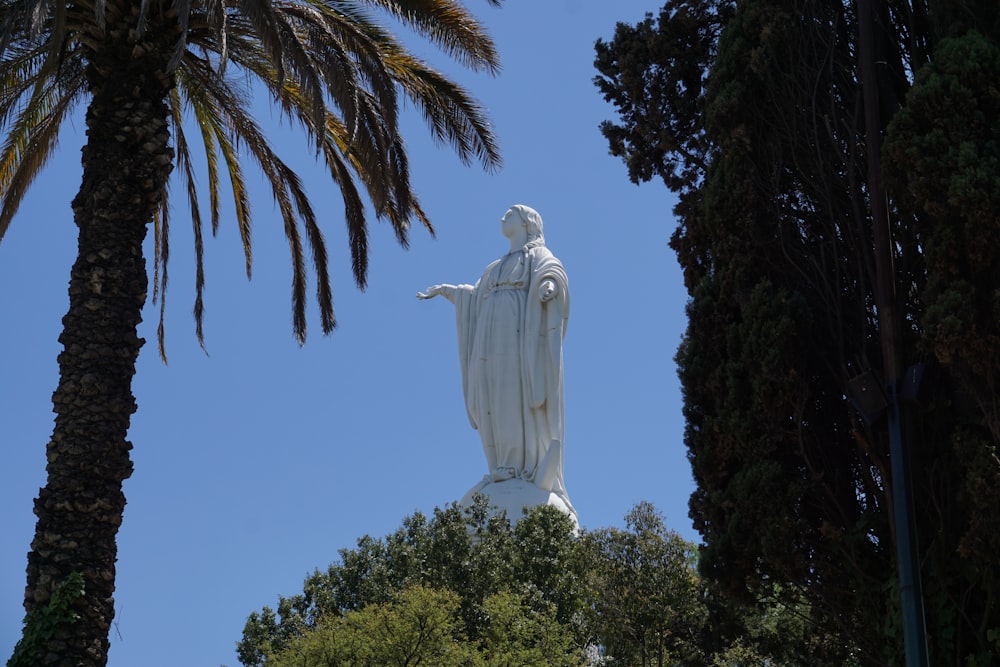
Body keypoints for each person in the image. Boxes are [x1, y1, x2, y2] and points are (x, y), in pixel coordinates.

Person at [418, 205, 570, 503]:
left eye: (510, 214)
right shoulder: (494, 267)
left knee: (517, 392)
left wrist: (549, 285)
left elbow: (553, 272)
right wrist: (450, 292)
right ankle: (502, 465)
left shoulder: (537, 256)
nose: (503, 218)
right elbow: (474, 297)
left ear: (527, 223)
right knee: (495, 394)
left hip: (519, 333)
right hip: (491, 335)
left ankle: (524, 468)